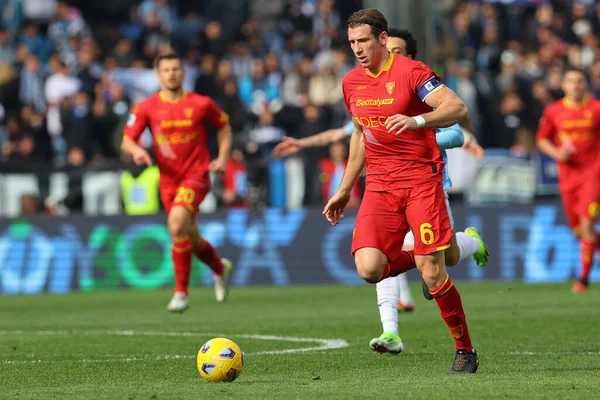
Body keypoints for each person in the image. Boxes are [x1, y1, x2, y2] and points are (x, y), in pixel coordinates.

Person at [273, 29, 488, 318]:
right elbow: (349, 132)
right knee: (388, 258)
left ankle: (469, 242)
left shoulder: (418, 84)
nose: (387, 56)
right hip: (385, 185)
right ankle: (391, 330)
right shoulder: (361, 89)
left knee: (445, 256)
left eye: (398, 51)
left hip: (430, 184)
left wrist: (416, 128)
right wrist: (301, 143)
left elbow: (456, 131)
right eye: (353, 43)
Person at [323, 9, 478, 373]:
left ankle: (465, 349)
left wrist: (417, 120)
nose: (358, 49)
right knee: (369, 268)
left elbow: (457, 107)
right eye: (351, 43)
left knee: (434, 273)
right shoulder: (351, 83)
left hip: (421, 181)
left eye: (363, 41)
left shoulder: (412, 72)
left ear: (381, 38)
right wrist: (345, 189)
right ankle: (429, 256)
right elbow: (361, 133)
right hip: (379, 186)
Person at [121, 53, 233, 312]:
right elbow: (126, 139)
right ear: (158, 75)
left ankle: (181, 292)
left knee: (175, 224)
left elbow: (224, 126)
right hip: (168, 182)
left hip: (196, 176)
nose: (171, 74)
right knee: (187, 235)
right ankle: (219, 267)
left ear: (183, 73)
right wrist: (135, 150)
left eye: (175, 69)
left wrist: (222, 157)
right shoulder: (146, 107)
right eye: (166, 70)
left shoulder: (201, 103)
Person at [536, 68, 600, 293]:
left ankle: (583, 280)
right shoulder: (554, 111)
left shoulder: (596, 108)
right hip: (567, 177)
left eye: (580, 81)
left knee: (587, 225)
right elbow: (542, 139)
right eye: (571, 81)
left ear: (586, 85)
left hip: (593, 174)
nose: (576, 85)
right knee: (579, 232)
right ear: (563, 85)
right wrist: (556, 154)